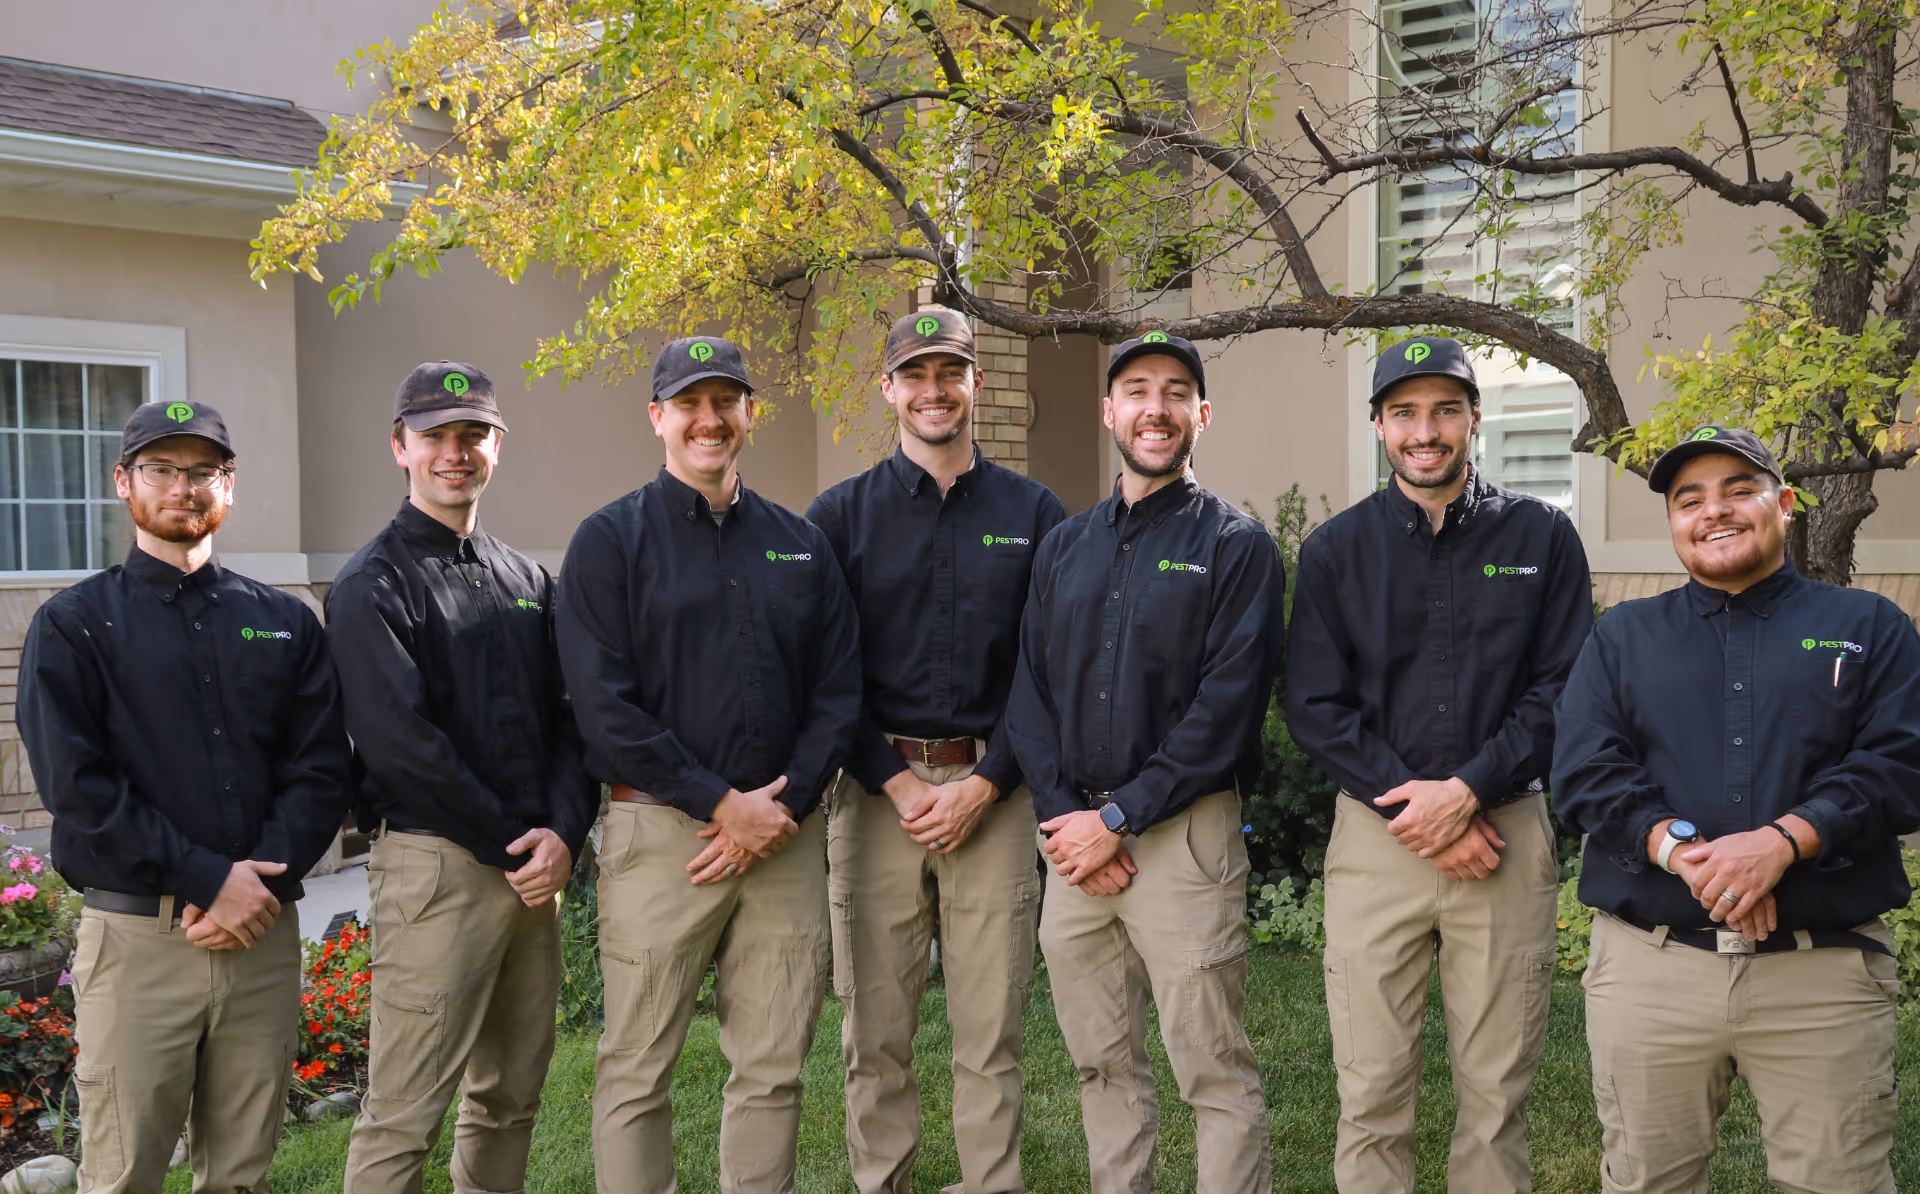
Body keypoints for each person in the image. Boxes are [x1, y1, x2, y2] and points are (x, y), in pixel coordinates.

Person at [1552, 425, 1920, 1194]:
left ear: (1784, 505)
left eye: (1738, 490)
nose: (1713, 511)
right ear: (1673, 522)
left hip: (1821, 975)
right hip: (1653, 972)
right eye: (1691, 499)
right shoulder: (1622, 637)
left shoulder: (1870, 628)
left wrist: (1782, 844)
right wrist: (1694, 858)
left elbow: (1899, 763)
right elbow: (1587, 772)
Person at [18, 401, 354, 1194]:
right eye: (162, 469)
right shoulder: (72, 627)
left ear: (228, 487)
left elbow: (320, 771)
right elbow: (79, 789)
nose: (184, 486)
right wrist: (209, 879)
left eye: (203, 471)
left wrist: (257, 885)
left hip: (260, 938)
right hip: (140, 943)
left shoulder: (283, 622)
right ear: (124, 483)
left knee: (241, 1172)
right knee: (124, 1172)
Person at [556, 335, 863, 1194]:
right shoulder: (608, 544)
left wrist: (783, 807)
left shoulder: (800, 544)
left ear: (749, 415)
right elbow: (603, 707)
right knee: (635, 1068)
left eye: (724, 400)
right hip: (662, 837)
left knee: (772, 1066)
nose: (708, 418)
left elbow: (839, 691)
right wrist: (721, 804)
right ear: (657, 418)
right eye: (688, 402)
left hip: (784, 840)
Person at [1285, 336, 1592, 1193]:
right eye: (1407, 412)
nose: (1428, 430)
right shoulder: (1336, 552)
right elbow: (1314, 704)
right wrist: (1418, 813)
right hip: (1378, 843)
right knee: (1372, 1089)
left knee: (1496, 1095)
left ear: (1475, 419)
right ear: (1380, 425)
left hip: (1506, 834)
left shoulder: (1543, 537)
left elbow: (1563, 691)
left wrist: (1467, 792)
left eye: (1446, 410)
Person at [1006, 331, 1284, 1193]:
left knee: (1212, 1069)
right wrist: (1066, 818)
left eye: (1173, 392)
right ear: (1109, 411)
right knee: (1102, 1063)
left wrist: (1119, 818)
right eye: (1135, 390)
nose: (1154, 408)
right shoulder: (1065, 545)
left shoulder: (1238, 546)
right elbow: (1030, 688)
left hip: (1182, 843)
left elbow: (1226, 709)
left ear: (1200, 415)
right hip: (1075, 846)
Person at [806, 308, 1065, 1194]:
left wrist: (987, 783)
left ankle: (991, 1183)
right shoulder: (838, 518)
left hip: (995, 791)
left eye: (948, 373)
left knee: (989, 1029)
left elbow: (1045, 670)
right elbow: (825, 674)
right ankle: (886, 1183)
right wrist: (894, 781)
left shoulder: (1035, 514)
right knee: (875, 1030)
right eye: (914, 375)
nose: (933, 391)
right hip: (877, 799)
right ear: (889, 391)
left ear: (976, 385)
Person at [328, 362, 598, 1194]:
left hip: (531, 874)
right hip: (440, 870)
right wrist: (517, 845)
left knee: (510, 1099)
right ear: (400, 448)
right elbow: (400, 744)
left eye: (472, 434)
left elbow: (569, 722)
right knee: (405, 1114)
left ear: (496, 446)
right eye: (436, 435)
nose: (456, 452)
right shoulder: (371, 585)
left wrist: (563, 831)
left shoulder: (526, 580)